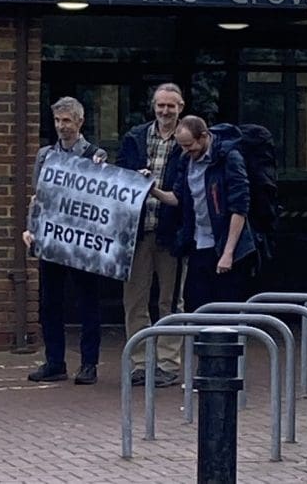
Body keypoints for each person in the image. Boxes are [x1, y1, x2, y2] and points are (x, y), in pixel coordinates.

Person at [22, 96, 107, 385]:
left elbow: (103, 203)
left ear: (80, 122)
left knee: (87, 303)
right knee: (50, 303)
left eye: (67, 120)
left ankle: (89, 364)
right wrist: (30, 227)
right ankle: (55, 361)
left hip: (82, 242)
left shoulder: (96, 156)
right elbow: (38, 197)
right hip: (52, 239)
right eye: (58, 121)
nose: (62, 127)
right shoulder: (45, 155)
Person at [149, 115, 256, 312]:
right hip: (198, 242)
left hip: (224, 243)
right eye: (182, 146)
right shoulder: (186, 160)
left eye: (189, 145)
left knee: (225, 310)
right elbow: (178, 198)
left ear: (204, 137)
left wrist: (228, 253)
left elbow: (239, 208)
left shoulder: (229, 157)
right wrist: (152, 189)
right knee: (197, 305)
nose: (186, 151)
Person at [116, 83, 185, 388]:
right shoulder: (135, 137)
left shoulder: (186, 140)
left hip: (171, 233)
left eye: (171, 106)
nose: (165, 111)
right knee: (135, 299)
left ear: (180, 107)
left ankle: (169, 363)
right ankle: (140, 362)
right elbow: (118, 178)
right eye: (161, 105)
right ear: (153, 106)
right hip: (138, 232)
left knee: (171, 301)